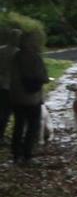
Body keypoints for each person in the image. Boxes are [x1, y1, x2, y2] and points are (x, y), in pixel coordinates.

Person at [6, 21, 47, 166]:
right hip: (32, 98)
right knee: (32, 127)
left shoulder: (16, 57)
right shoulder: (36, 58)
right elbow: (43, 77)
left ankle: (16, 154)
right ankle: (27, 156)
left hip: (16, 96)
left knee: (18, 125)